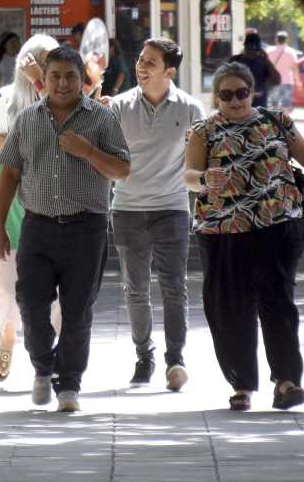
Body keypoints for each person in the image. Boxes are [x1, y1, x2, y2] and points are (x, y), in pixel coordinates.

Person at [0, 46, 131, 413]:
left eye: (71, 76)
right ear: (44, 79)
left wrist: (86, 151)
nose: (63, 83)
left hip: (87, 228)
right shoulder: (26, 120)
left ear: (82, 79)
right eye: (55, 76)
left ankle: (69, 384)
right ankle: (43, 367)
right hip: (37, 227)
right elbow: (8, 174)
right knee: (31, 305)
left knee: (77, 310)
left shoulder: (101, 119)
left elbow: (121, 169)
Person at [184, 62, 304, 412]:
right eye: (226, 95)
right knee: (229, 307)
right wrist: (205, 180)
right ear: (216, 97)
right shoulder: (203, 131)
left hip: (278, 224)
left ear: (253, 92)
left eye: (242, 93)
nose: (235, 101)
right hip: (223, 230)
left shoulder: (276, 121)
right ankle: (242, 384)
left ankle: (287, 381)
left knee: (278, 301)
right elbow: (188, 174)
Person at [0, 33, 63, 383]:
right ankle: (7, 338)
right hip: (6, 215)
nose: (52, 70)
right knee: (5, 287)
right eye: (43, 63)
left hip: (52, 213)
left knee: (54, 293)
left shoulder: (61, 104)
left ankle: (56, 352)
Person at [107, 38, 205, 390]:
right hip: (128, 208)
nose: (141, 67)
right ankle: (143, 356)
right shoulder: (117, 107)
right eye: (140, 60)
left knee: (174, 288)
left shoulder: (192, 109)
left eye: (151, 62)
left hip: (173, 209)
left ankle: (175, 359)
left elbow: (201, 163)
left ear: (170, 71)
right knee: (135, 289)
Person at [229, 32, 279, 108]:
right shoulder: (236, 60)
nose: (251, 51)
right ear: (245, 47)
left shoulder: (263, 62)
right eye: (249, 48)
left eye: (254, 49)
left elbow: (277, 80)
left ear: (259, 50)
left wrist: (267, 61)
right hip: (238, 104)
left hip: (258, 105)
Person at [266, 31, 301, 112]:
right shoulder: (291, 52)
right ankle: (284, 121)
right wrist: (298, 81)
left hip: (274, 81)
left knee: (274, 105)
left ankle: (275, 122)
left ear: (276, 39)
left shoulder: (269, 51)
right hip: (287, 81)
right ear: (287, 40)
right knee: (287, 105)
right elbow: (295, 68)